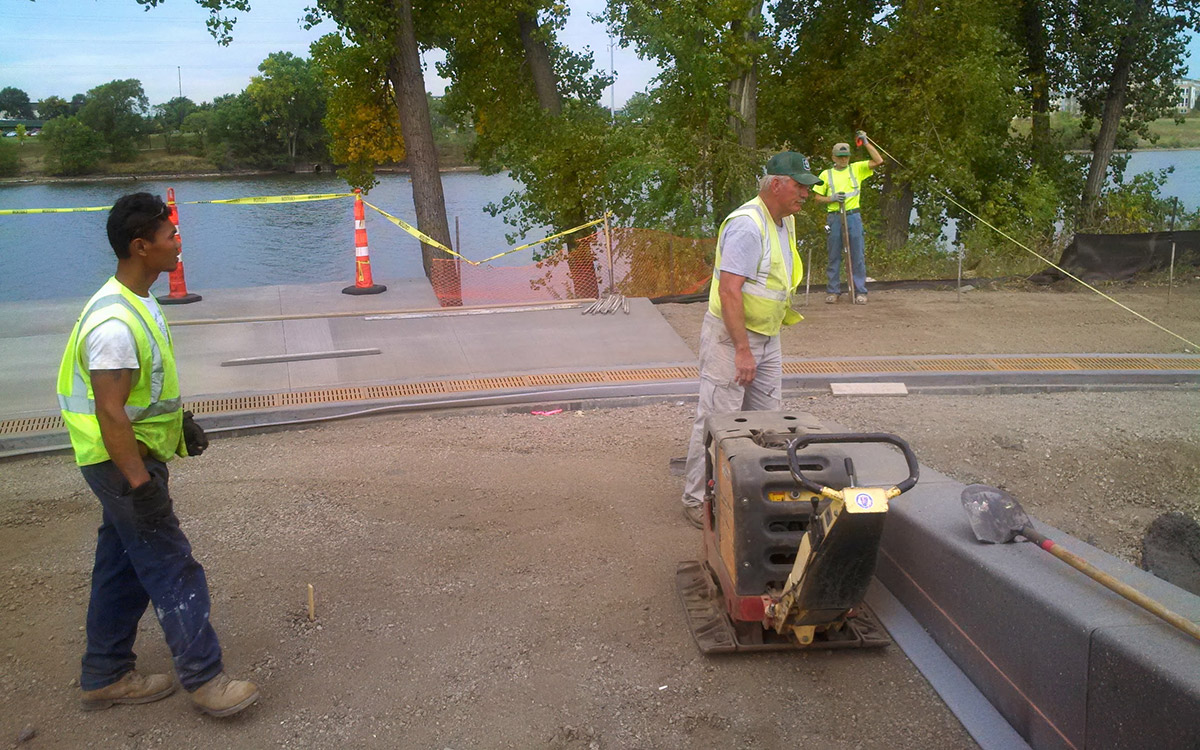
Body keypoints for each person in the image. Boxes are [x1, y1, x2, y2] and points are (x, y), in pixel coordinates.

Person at [57, 192, 259, 717]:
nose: (178, 241)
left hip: (126, 454)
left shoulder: (136, 300)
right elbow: (110, 412)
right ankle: (206, 680)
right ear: (141, 246)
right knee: (172, 566)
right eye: (170, 235)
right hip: (120, 463)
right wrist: (141, 486)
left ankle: (104, 673)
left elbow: (141, 394)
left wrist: (178, 422)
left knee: (121, 564)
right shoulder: (113, 326)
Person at [680, 152, 821, 528]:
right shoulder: (748, 225)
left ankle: (748, 492)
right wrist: (743, 349)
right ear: (776, 184)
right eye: (800, 185)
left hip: (766, 336)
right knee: (717, 421)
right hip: (733, 339)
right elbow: (730, 291)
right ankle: (698, 499)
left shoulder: (782, 222)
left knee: (767, 420)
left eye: (808, 186)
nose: (806, 193)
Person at [812, 132, 884, 304]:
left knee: (857, 254)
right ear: (833, 157)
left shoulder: (857, 168)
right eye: (840, 157)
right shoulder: (825, 174)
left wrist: (866, 143)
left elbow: (878, 161)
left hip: (853, 216)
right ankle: (833, 291)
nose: (843, 160)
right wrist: (832, 198)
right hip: (834, 218)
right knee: (834, 254)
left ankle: (860, 291)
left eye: (846, 157)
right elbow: (816, 198)